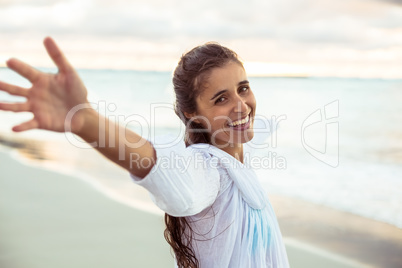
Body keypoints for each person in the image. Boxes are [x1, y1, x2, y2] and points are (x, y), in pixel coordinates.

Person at [0, 37, 289, 267]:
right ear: (193, 114)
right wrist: (86, 121)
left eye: (243, 88)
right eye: (221, 98)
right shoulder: (208, 171)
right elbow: (167, 172)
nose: (241, 105)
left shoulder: (234, 154)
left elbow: (259, 125)